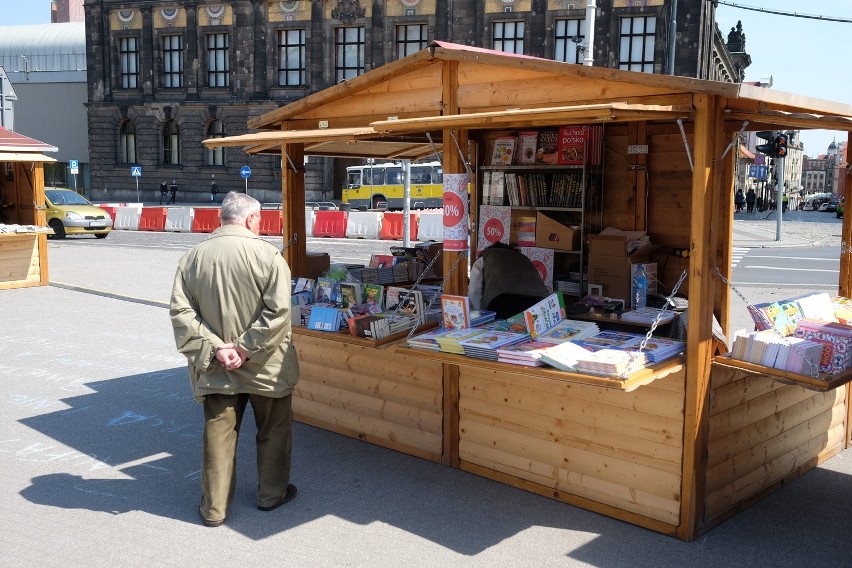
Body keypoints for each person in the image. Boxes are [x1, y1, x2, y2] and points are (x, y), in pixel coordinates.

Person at [170, 191, 300, 528]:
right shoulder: (268, 256)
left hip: (215, 366)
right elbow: (279, 313)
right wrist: (244, 348)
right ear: (251, 219)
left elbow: (182, 313)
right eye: (259, 219)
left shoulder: (192, 258)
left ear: (222, 218)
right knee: (273, 430)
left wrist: (218, 348)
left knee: (218, 435)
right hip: (267, 366)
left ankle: (214, 508)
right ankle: (271, 495)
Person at [468, 242, 550, 319]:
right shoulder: (524, 258)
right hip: (537, 302)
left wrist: (476, 316)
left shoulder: (486, 256)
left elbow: (474, 291)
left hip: (502, 301)